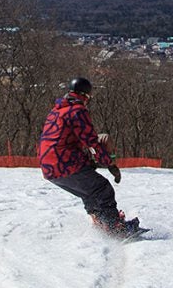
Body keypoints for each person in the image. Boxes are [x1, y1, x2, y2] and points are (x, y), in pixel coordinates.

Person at [38, 77, 140, 238]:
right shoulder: (77, 110)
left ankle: (101, 221)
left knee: (89, 192)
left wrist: (86, 160)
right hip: (63, 162)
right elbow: (91, 141)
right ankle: (116, 228)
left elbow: (62, 141)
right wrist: (109, 163)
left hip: (49, 167)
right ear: (86, 96)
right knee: (102, 188)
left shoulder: (57, 111)